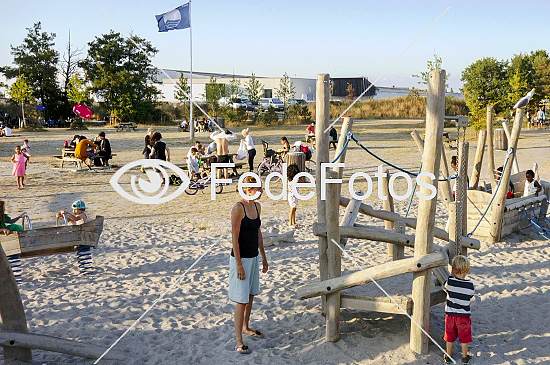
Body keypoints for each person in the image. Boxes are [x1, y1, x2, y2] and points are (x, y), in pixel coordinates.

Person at [229, 175, 268, 355]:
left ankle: (246, 327)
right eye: (258, 188)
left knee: (251, 295)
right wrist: (238, 265)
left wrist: (264, 257)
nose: (261, 191)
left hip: (253, 257)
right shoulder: (238, 208)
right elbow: (234, 239)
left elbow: (258, 234)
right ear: (248, 190)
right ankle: (238, 340)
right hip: (241, 258)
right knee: (241, 300)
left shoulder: (257, 206)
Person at [443, 255, 475, 364]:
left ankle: (448, 355)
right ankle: (465, 357)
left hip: (450, 316)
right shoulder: (470, 285)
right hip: (464, 317)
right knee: (464, 336)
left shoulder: (450, 281)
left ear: (453, 269)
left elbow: (444, 287)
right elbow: (470, 296)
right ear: (467, 270)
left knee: (449, 335)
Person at [287, 163, 301, 228]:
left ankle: (293, 222)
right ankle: (290, 223)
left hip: (294, 195)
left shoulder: (290, 180)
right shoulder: (294, 180)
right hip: (292, 196)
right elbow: (300, 181)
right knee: (292, 209)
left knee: (294, 209)